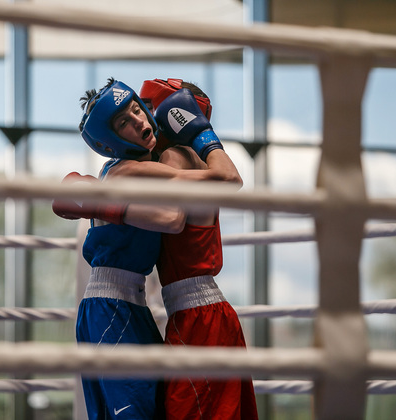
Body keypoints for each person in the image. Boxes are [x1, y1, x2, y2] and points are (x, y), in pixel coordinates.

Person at [52, 77, 239, 420]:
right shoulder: (126, 172)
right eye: (125, 121)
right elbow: (172, 218)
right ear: (109, 140)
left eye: (139, 109)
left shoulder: (150, 167)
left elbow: (228, 180)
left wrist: (200, 134)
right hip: (110, 306)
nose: (140, 121)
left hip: (136, 306)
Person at [140, 78, 258, 420]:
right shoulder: (194, 161)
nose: (141, 120)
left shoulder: (175, 157)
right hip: (203, 314)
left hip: (199, 318)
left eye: (147, 109)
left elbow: (229, 180)